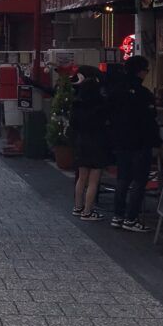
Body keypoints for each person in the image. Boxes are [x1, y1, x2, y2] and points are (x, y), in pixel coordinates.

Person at [108, 55, 161, 232]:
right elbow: (149, 120)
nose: (147, 73)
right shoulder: (143, 94)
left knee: (123, 178)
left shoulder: (115, 90)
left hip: (121, 141)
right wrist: (156, 141)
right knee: (139, 180)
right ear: (140, 71)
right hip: (140, 143)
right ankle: (131, 218)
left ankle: (117, 216)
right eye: (146, 70)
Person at [70, 77, 109, 222]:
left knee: (81, 177)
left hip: (81, 142)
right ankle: (87, 211)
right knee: (93, 180)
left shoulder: (77, 105)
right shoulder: (101, 105)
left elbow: (73, 125)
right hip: (97, 142)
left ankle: (77, 206)